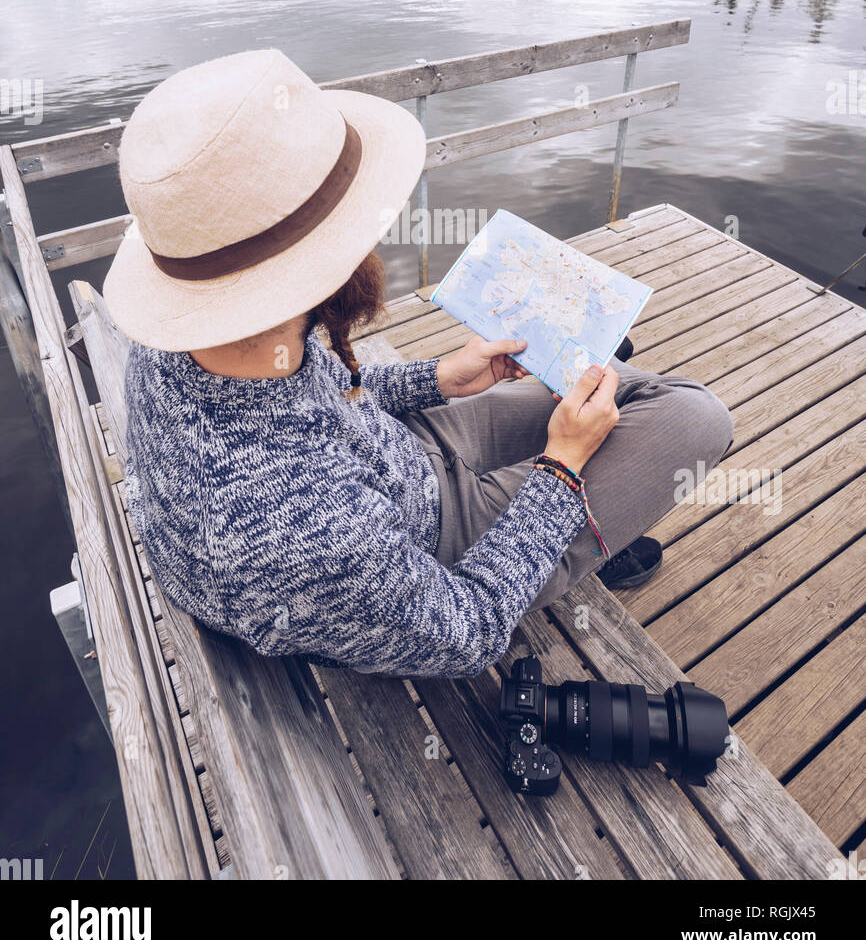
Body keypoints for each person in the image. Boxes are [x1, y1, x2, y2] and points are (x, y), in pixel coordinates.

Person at [104, 49, 733, 679]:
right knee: (696, 419)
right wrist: (562, 471)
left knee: (607, 387)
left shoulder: (189, 342)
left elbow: (305, 405)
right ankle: (583, 529)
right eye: (356, 224)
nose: (373, 237)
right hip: (424, 543)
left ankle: (592, 525)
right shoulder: (299, 530)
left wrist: (436, 378)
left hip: (390, 459)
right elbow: (470, 632)